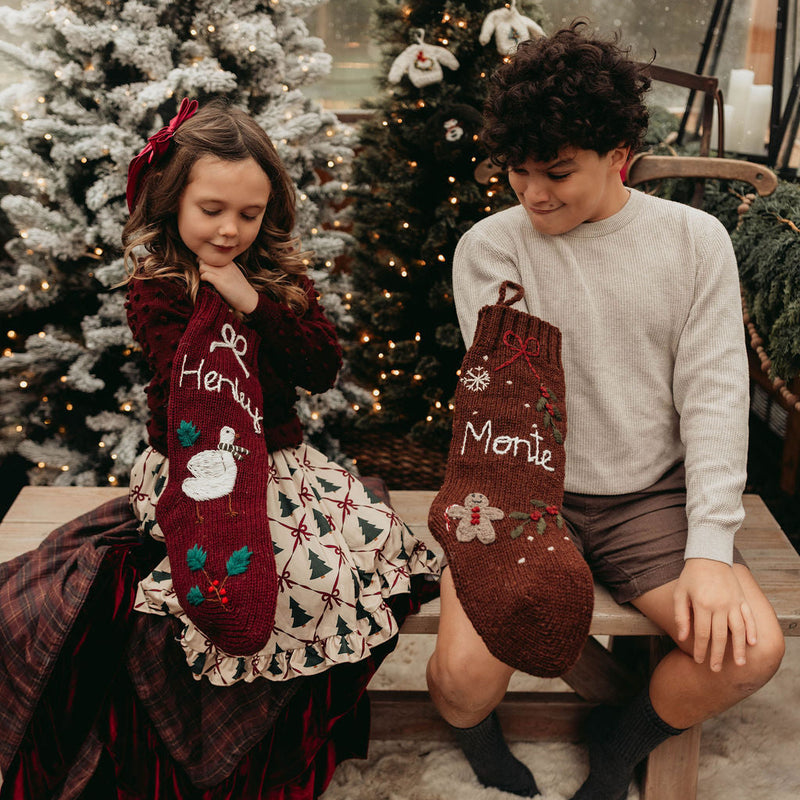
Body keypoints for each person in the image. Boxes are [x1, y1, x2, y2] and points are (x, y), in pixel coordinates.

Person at [0, 98, 439, 799]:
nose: (230, 229)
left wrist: (255, 302)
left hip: (280, 464)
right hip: (199, 466)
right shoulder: (156, 290)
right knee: (239, 582)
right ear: (172, 202)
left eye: (249, 214)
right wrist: (218, 306)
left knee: (350, 555)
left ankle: (284, 731)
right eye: (212, 210)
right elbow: (199, 395)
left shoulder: (281, 281)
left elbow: (320, 367)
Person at [425, 22, 785, 800]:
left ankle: (620, 741)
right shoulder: (491, 248)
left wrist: (709, 551)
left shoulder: (694, 242)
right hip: (523, 486)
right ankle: (477, 736)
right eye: (519, 172)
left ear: (619, 154)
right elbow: (507, 407)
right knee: (460, 679)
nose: (534, 193)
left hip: (649, 495)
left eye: (558, 172)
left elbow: (716, 395)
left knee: (749, 650)